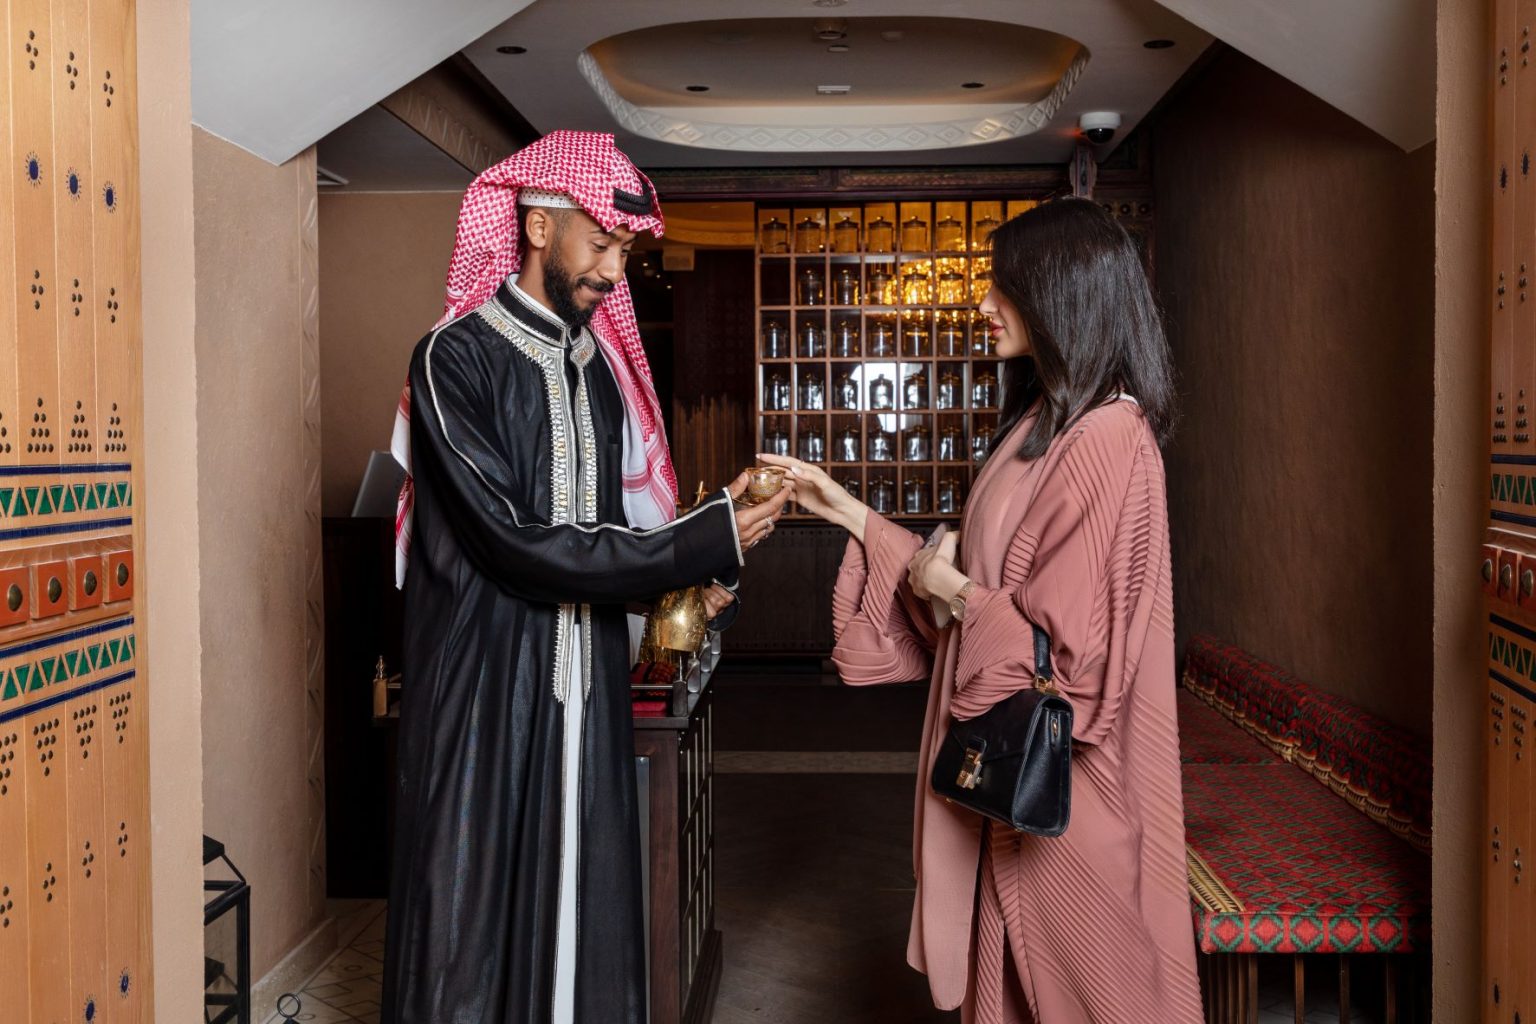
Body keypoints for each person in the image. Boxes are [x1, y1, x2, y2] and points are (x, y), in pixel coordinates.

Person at [380, 131, 789, 1024]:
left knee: (585, 910)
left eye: (624, 252)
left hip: (586, 685)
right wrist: (696, 541)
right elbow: (515, 544)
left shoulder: (599, 377)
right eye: (601, 243)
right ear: (538, 228)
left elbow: (603, 538)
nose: (614, 270)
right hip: (484, 691)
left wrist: (697, 572)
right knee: (469, 928)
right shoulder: (453, 359)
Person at [762, 198, 1202, 1023]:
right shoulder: (1046, 421)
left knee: (1086, 996)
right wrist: (844, 509)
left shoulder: (1109, 438)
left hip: (1065, 792)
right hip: (1010, 770)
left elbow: (1068, 664)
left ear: (1061, 294)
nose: (983, 301)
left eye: (1004, 286)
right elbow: (976, 587)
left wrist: (956, 592)